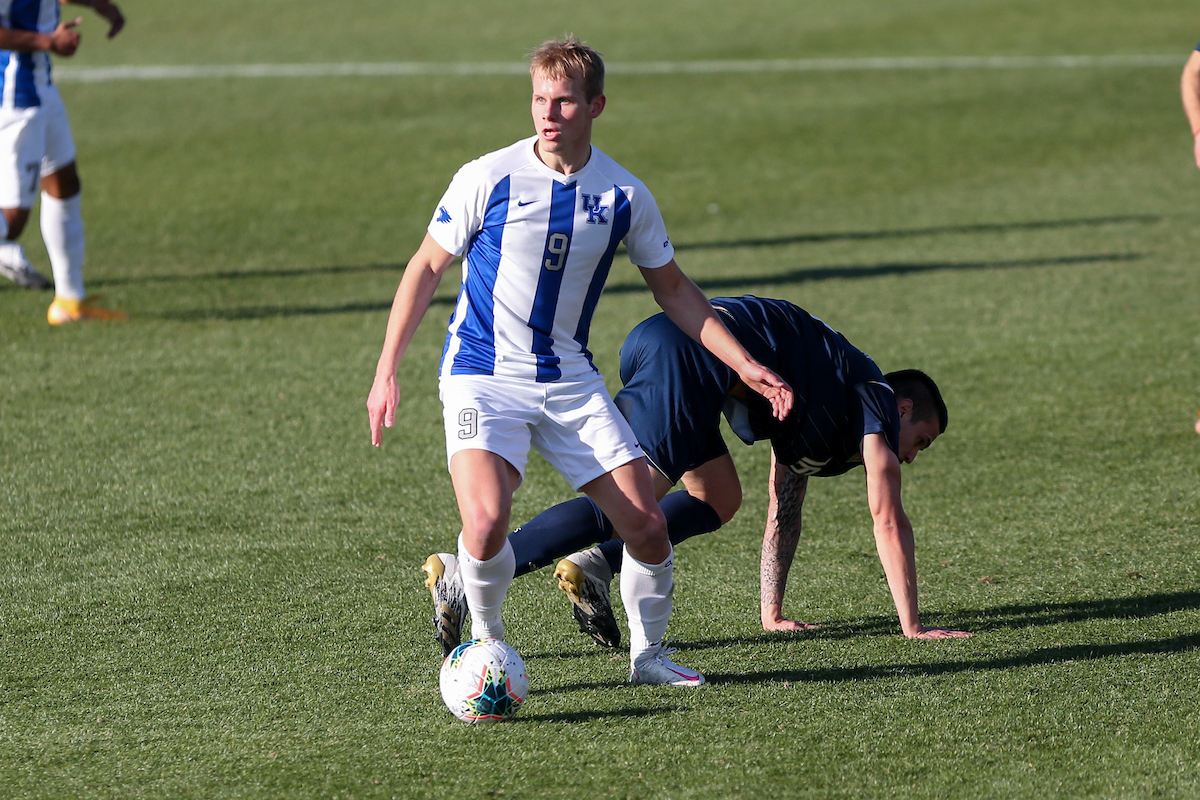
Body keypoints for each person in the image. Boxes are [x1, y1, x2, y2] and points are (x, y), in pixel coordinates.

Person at [368, 38, 792, 687]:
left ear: (596, 106)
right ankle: (488, 643)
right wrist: (386, 370)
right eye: (539, 99)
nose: (548, 112)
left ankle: (648, 658)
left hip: (568, 380)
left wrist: (745, 362)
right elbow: (427, 266)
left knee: (647, 524)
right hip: (483, 375)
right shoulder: (488, 176)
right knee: (485, 521)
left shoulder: (624, 195)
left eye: (564, 101)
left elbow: (674, 289)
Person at [426, 296, 972, 654]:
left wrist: (773, 614)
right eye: (920, 441)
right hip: (687, 354)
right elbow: (887, 516)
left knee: (718, 495)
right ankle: (463, 572)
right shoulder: (874, 395)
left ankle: (596, 565)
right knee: (628, 503)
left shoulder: (826, 398)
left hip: (670, 348)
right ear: (902, 409)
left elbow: (784, 509)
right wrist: (913, 626)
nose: (910, 457)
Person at [0, 0, 126, 322]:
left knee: (64, 182)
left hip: (41, 88)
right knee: (12, 222)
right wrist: (47, 41)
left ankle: (69, 303)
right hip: (16, 97)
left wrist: (101, 6)